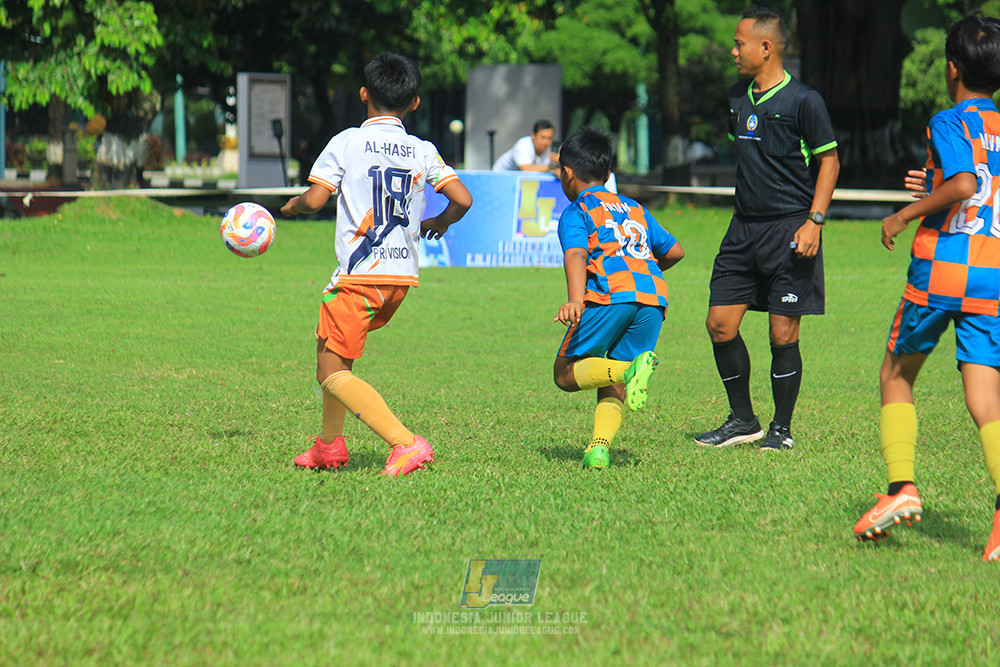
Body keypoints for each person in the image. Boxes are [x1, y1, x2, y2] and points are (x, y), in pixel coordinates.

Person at [280, 53, 473, 476]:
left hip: (360, 276)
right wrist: (438, 222)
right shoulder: (421, 149)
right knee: (330, 351)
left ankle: (406, 443)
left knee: (330, 371)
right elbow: (462, 199)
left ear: (364, 94)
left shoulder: (346, 141)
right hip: (400, 279)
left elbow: (315, 200)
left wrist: (291, 208)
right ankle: (329, 445)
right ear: (415, 102)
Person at [853, 14, 1000, 561]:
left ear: (952, 67)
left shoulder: (950, 119)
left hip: (944, 269)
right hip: (994, 273)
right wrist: (935, 184)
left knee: (896, 372)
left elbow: (964, 184)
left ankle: (901, 489)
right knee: (985, 397)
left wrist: (905, 214)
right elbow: (976, 187)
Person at [695, 7, 839, 451]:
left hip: (790, 229)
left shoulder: (804, 101)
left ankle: (781, 429)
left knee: (782, 333)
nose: (733, 51)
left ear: (766, 47)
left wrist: (814, 221)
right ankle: (743, 420)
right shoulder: (737, 97)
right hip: (742, 230)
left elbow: (829, 160)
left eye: (739, 44)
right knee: (719, 324)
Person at [552, 127, 685, 469]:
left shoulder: (578, 210)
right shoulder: (634, 207)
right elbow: (675, 251)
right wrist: (641, 272)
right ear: (608, 174)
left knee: (565, 373)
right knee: (608, 376)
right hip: (653, 298)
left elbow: (577, 255)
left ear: (567, 173)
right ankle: (598, 449)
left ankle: (629, 371)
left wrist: (574, 299)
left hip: (611, 296)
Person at [492, 120, 559, 172]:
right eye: (543, 138)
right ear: (533, 136)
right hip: (499, 177)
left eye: (549, 138)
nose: (546, 142)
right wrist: (552, 168)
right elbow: (526, 169)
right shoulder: (523, 144)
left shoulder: (549, 148)